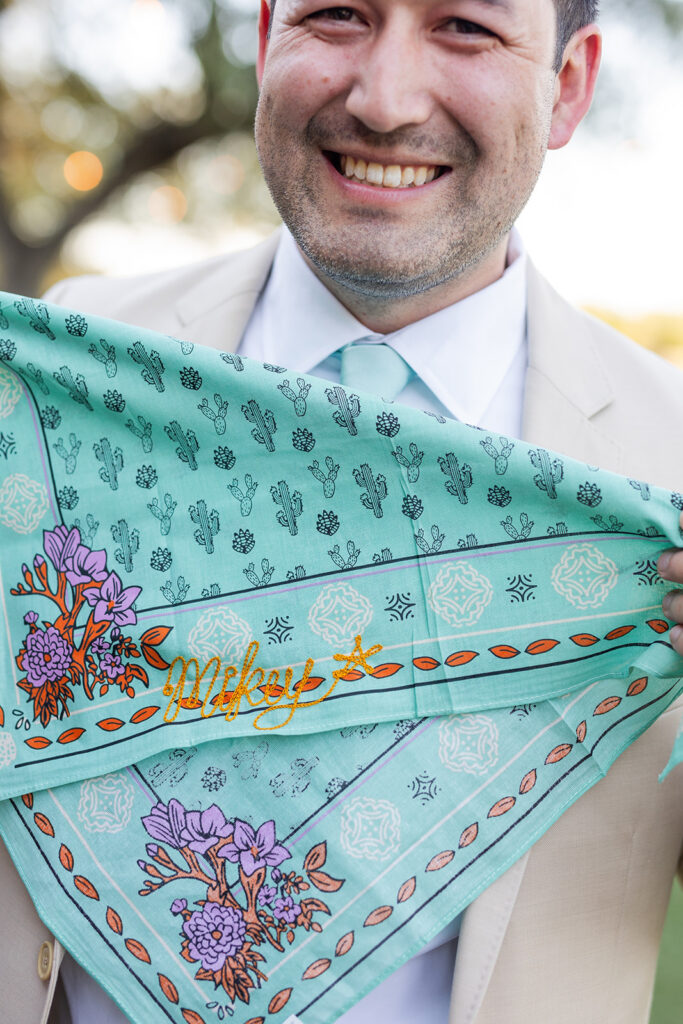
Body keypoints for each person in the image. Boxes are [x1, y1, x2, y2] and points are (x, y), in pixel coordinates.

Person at [2, 1, 683, 1021]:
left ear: (569, 84)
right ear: (267, 31)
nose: (383, 98)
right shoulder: (46, 390)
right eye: (336, 14)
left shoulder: (665, 460)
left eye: (462, 26)